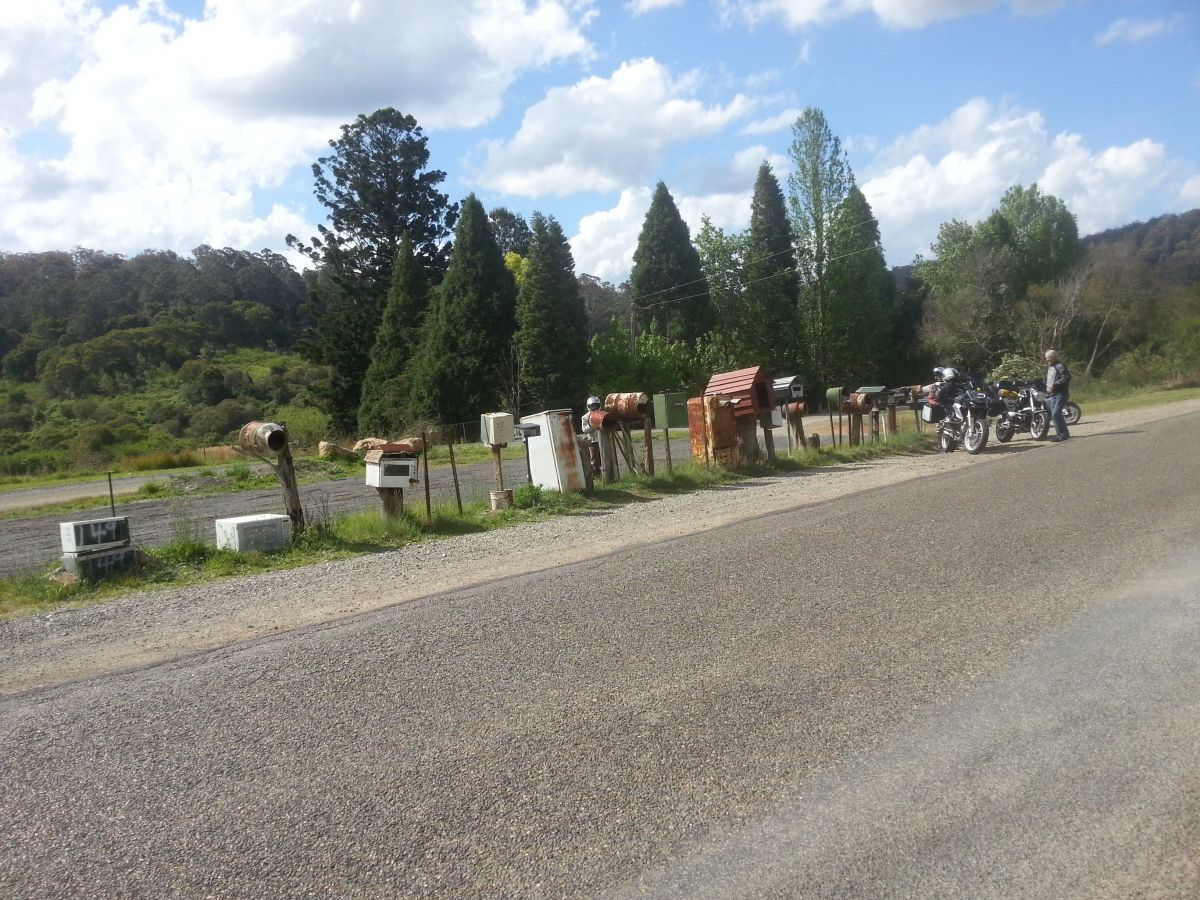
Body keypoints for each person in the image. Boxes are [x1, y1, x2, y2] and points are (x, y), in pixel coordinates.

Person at [1044, 349, 1071, 442]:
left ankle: (1063, 434)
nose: (1047, 360)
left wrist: (1054, 385)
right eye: (1046, 358)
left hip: (1061, 393)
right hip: (1052, 394)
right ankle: (1061, 434)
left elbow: (1066, 377)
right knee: (1054, 415)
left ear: (1054, 357)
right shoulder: (1050, 367)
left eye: (1049, 358)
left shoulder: (1060, 365)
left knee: (1056, 413)